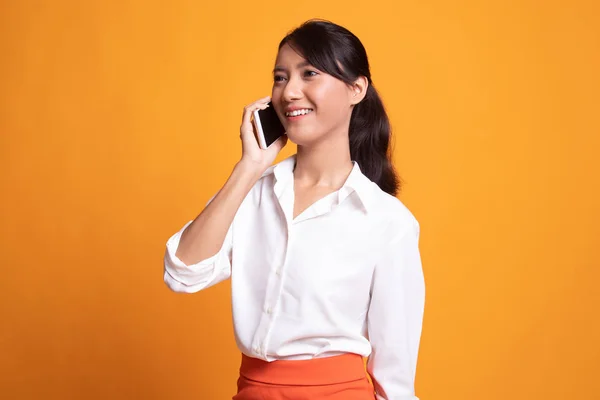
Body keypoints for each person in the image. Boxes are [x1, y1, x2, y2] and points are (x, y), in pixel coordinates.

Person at [163, 19, 425, 400]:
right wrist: (249, 167)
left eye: (310, 74)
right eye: (281, 77)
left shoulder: (387, 222)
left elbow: (395, 380)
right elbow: (182, 273)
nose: (290, 93)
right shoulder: (252, 194)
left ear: (356, 89)